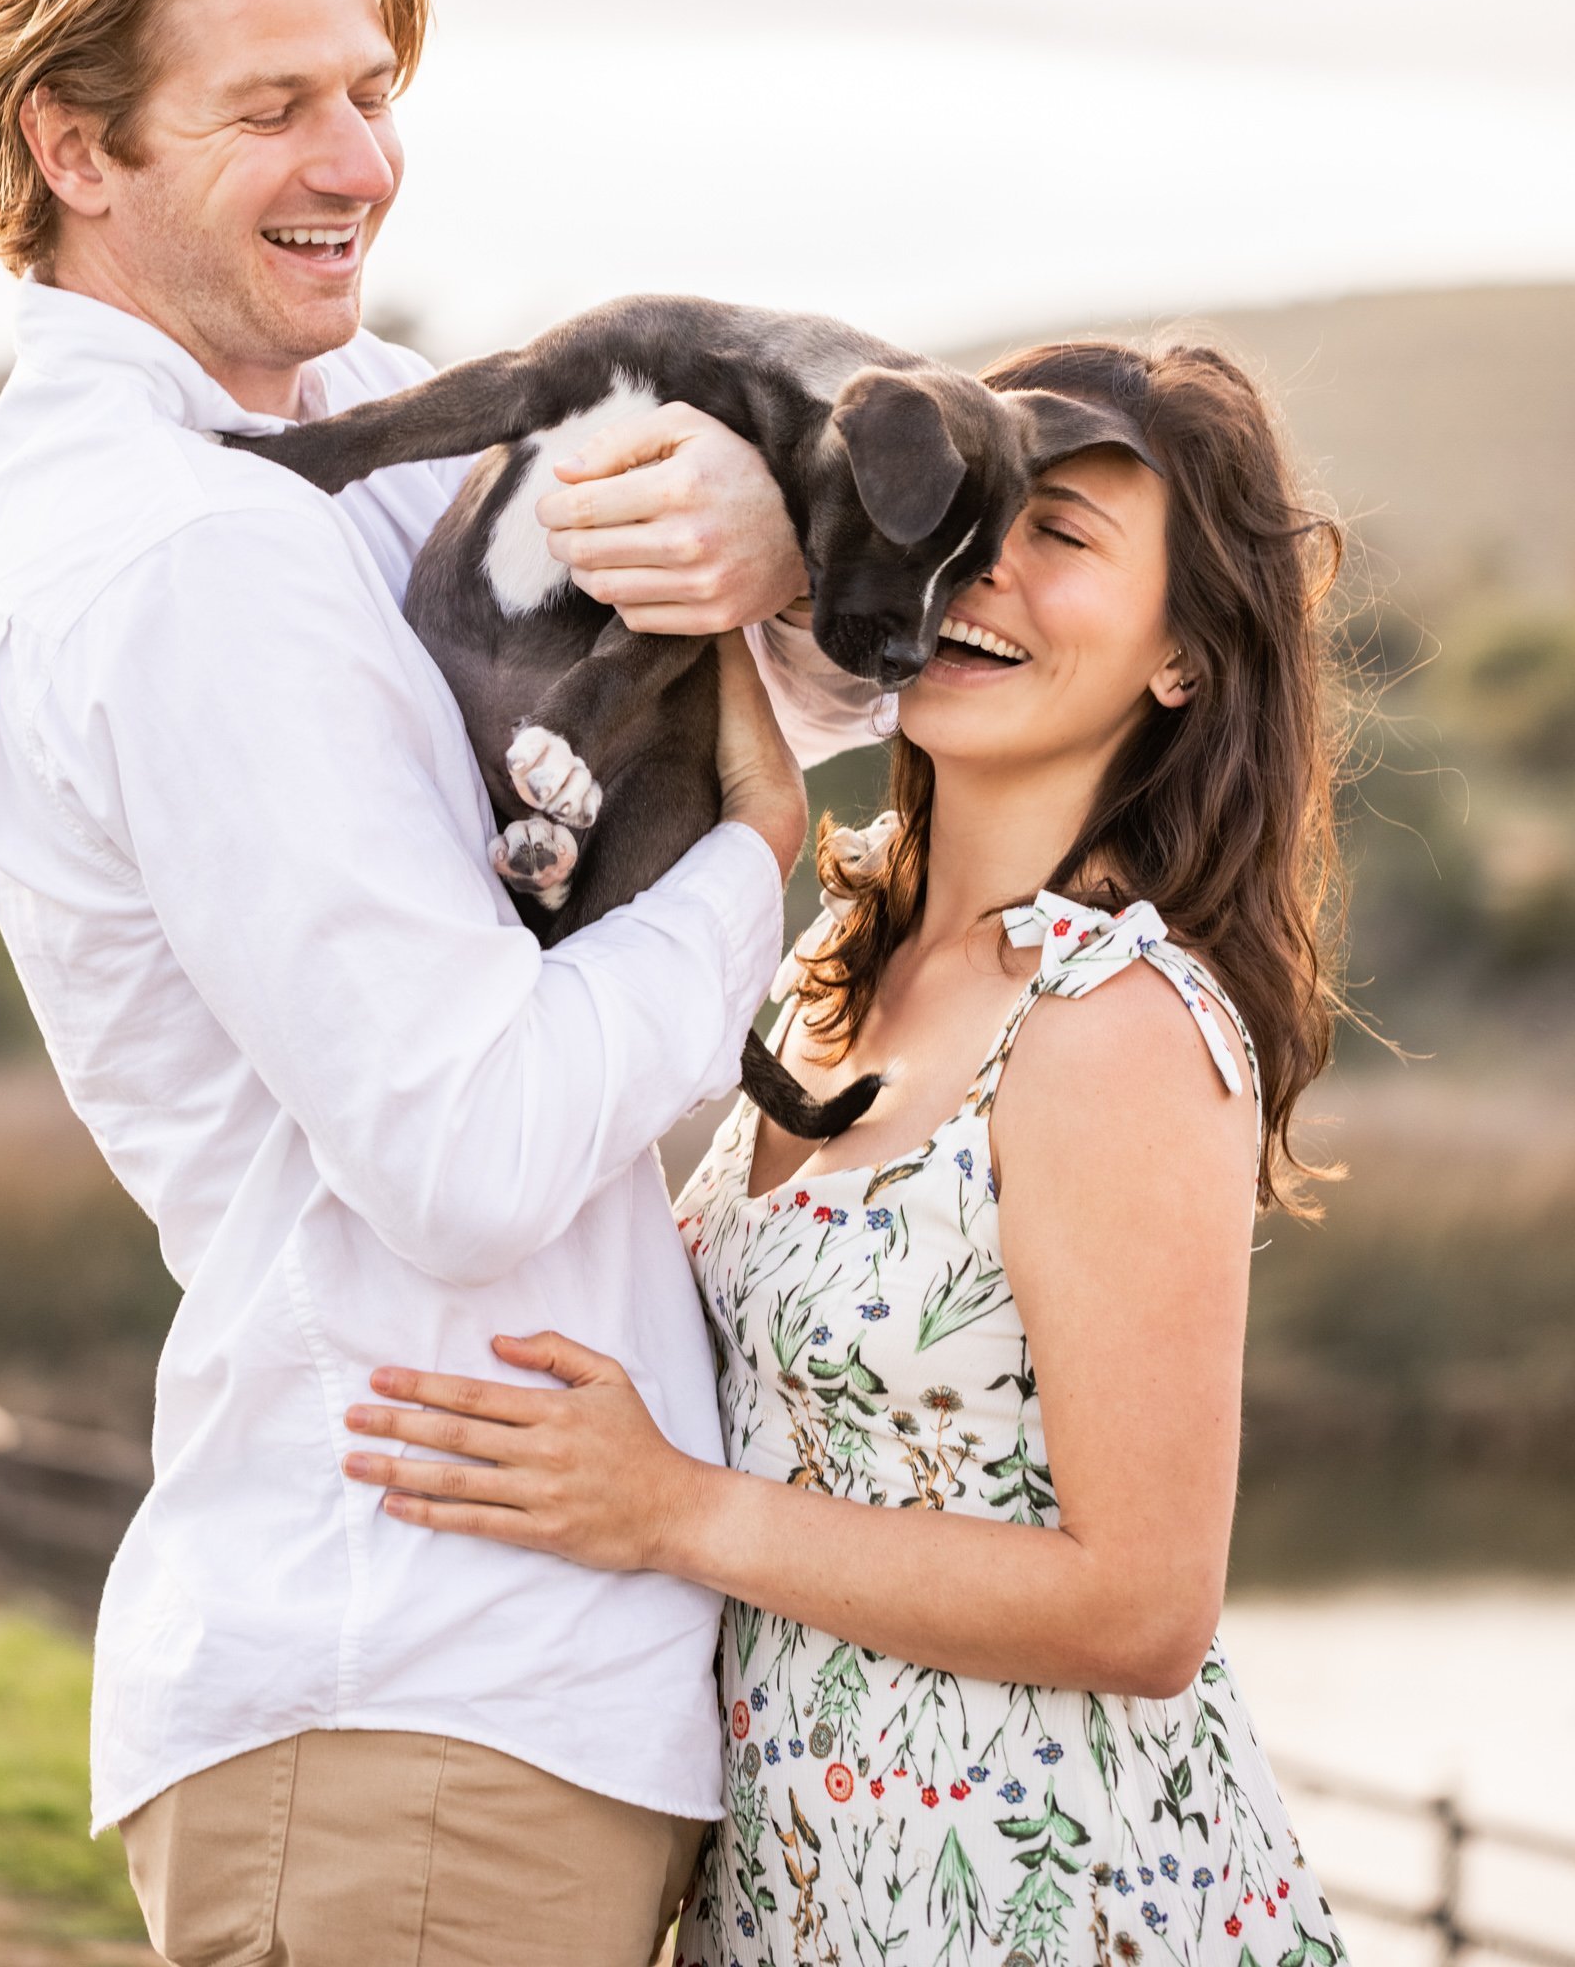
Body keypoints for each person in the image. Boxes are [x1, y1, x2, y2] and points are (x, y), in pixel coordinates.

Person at [0, 0, 878, 1967]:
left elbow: (772, 657)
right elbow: (463, 1150)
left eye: (371, 88)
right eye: (269, 107)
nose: (355, 157)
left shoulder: (338, 429)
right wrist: (756, 872)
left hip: (499, 1693)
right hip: (405, 1699)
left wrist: (765, 535)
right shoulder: (180, 555)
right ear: (73, 147)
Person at [338, 338, 1353, 1966]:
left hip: (1059, 1909)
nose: (983, 571)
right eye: (972, 515)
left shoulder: (1112, 1024)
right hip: (808, 1896)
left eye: (1064, 538)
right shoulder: (829, 971)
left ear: (1184, 658)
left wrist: (672, 1513)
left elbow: (1145, 1608)